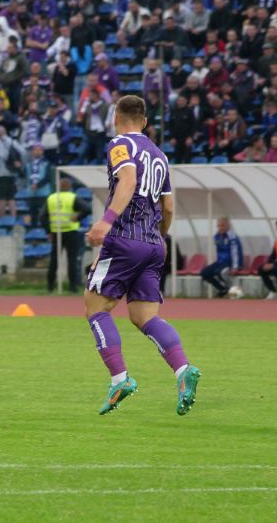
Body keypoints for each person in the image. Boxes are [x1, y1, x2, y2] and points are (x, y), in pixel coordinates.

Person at [81, 95, 200, 416]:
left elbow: (129, 180)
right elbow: (169, 206)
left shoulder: (119, 144)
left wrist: (105, 223)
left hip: (123, 237)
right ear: (145, 121)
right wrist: (158, 237)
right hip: (153, 243)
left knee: (96, 307)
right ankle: (183, 369)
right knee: (144, 316)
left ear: (115, 117)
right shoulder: (160, 155)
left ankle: (120, 379)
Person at [42, 175, 91, 293]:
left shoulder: (51, 198)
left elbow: (43, 216)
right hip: (70, 231)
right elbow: (87, 209)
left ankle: (50, 286)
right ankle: (73, 287)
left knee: (54, 261)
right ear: (70, 187)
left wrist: (48, 231)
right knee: (72, 260)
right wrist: (78, 217)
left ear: (58, 186)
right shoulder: (72, 197)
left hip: (56, 232)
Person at [200, 217, 244, 298]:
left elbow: (235, 252)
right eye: (219, 226)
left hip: (230, 262)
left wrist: (235, 267)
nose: (220, 228)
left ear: (228, 226)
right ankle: (222, 289)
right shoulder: (217, 236)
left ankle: (235, 292)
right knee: (204, 273)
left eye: (223, 225)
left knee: (220, 272)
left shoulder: (232, 237)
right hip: (220, 262)